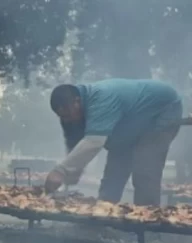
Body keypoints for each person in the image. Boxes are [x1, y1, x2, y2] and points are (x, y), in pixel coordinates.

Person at [44, 79, 184, 206]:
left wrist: (60, 171)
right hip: (131, 122)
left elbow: (94, 142)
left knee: (144, 168)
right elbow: (75, 143)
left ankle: (146, 223)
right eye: (62, 116)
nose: (67, 120)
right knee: (116, 164)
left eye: (68, 114)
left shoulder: (101, 99)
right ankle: (103, 213)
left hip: (163, 111)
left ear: (77, 101)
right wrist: (74, 170)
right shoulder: (75, 110)